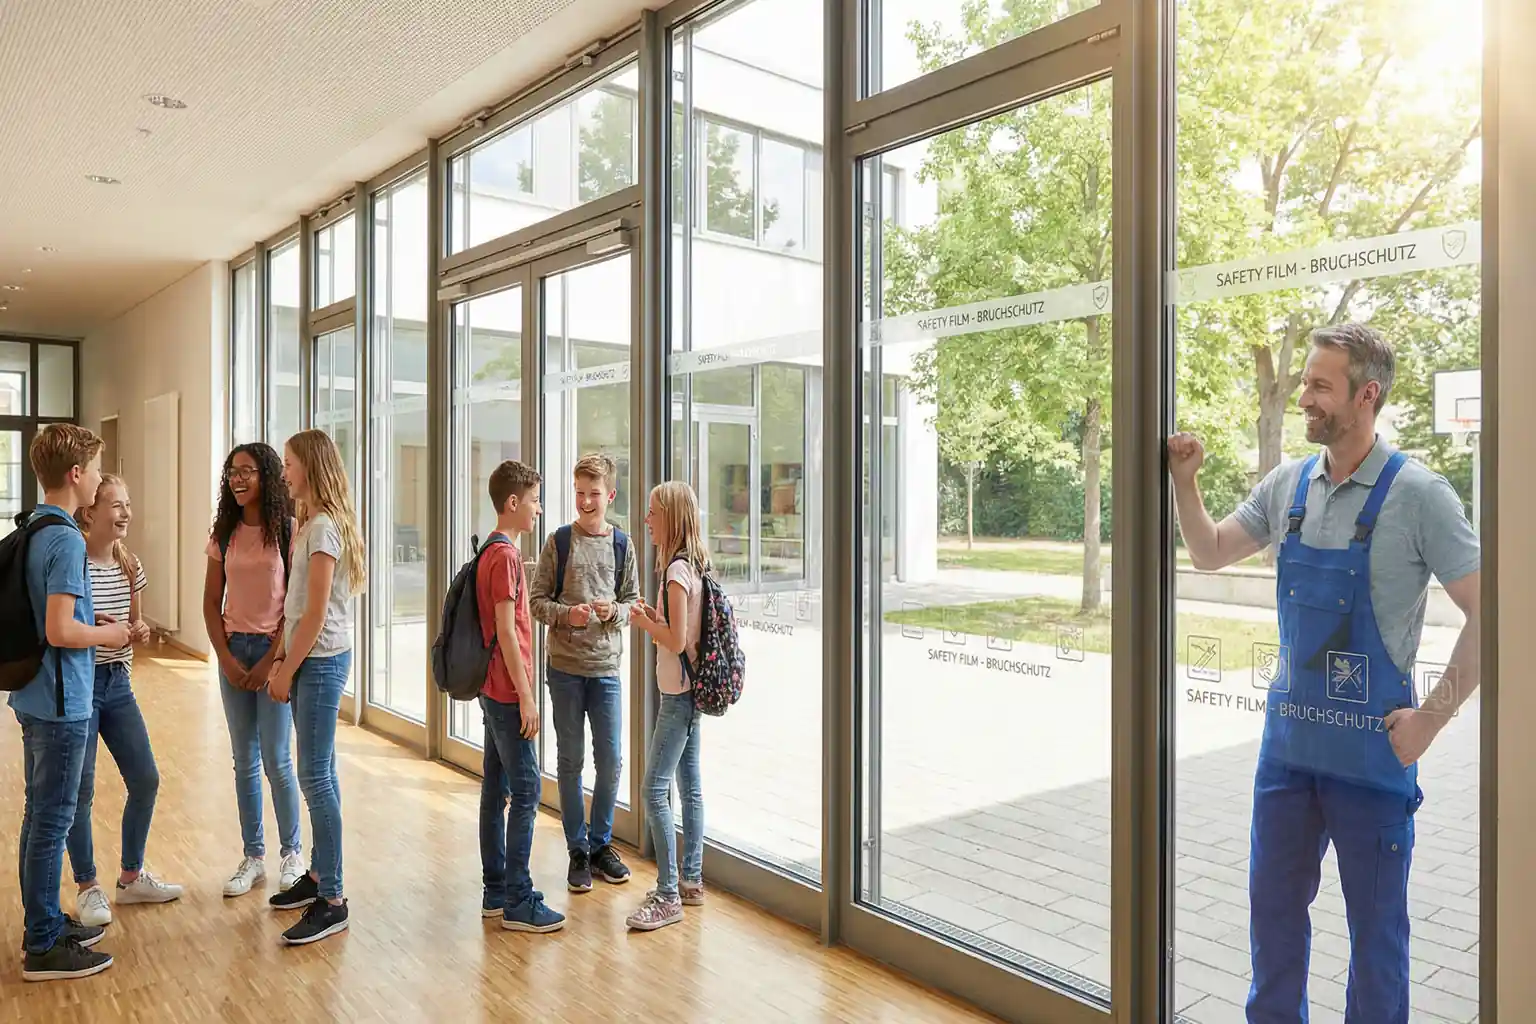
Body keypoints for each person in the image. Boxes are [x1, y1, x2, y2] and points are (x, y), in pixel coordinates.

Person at [1167, 323, 1481, 1022]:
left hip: (1371, 760)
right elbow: (1211, 553)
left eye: (1319, 385)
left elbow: (1491, 613)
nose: (1303, 396)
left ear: (1366, 395)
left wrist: (1431, 720)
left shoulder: (1420, 495)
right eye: (1305, 382)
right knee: (1273, 920)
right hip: (1288, 755)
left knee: (1377, 938)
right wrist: (1185, 483)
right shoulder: (1288, 484)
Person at [12, 424, 130, 981]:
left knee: (40, 816)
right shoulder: (65, 539)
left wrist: (88, 616)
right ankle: (43, 945)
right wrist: (110, 633)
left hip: (36, 694)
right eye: (97, 469)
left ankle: (44, 924)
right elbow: (60, 630)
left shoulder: (36, 526)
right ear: (77, 474)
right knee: (53, 819)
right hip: (62, 702)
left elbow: (51, 615)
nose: (101, 480)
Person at [67, 475, 183, 928]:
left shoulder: (130, 565)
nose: (125, 512)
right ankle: (87, 886)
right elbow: (67, 627)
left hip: (118, 684)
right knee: (80, 791)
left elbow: (136, 626)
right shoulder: (74, 561)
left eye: (127, 504)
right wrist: (103, 633)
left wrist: (139, 631)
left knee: (146, 779)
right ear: (91, 512)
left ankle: (131, 878)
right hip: (82, 684)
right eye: (116, 504)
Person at [265, 430, 365, 946]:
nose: (283, 473)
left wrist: (285, 670)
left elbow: (316, 614)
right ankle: (321, 873)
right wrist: (282, 657)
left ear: (312, 467)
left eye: (289, 464)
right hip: (307, 659)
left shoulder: (324, 528)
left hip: (321, 663)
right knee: (320, 772)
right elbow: (296, 605)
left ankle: (334, 899)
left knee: (315, 777)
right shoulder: (308, 524)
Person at [528, 452, 638, 893]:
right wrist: (566, 615)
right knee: (570, 761)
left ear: (610, 495)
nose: (585, 501)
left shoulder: (623, 545)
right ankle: (577, 850)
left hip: (606, 670)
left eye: (594, 493)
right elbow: (537, 601)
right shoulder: (557, 542)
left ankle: (600, 845)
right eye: (579, 493)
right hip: (565, 670)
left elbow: (633, 602)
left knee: (610, 762)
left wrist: (615, 613)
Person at [203, 442, 305, 899]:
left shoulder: (288, 530)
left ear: (267, 475)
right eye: (232, 472)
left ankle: (292, 854)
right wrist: (225, 658)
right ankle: (253, 857)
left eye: (247, 471)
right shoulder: (224, 533)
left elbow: (295, 607)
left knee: (276, 758)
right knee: (243, 759)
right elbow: (211, 602)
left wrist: (270, 662)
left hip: (272, 651)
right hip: (233, 649)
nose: (237, 479)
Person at [478, 460, 564, 933]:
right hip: (509, 693)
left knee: (496, 788)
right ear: (513, 503)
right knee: (527, 789)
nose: (538, 509)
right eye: (534, 500)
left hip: (492, 690)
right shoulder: (506, 557)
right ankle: (518, 898)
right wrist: (527, 697)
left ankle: (496, 890)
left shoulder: (489, 550)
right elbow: (508, 632)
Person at [627, 481, 709, 932]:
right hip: (690, 692)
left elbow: (676, 641)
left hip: (677, 696)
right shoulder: (693, 565)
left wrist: (644, 623)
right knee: (689, 785)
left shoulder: (676, 572)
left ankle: (667, 894)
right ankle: (691, 881)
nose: (647, 521)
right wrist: (654, 617)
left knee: (653, 790)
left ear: (671, 518)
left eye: (653, 513)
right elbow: (684, 631)